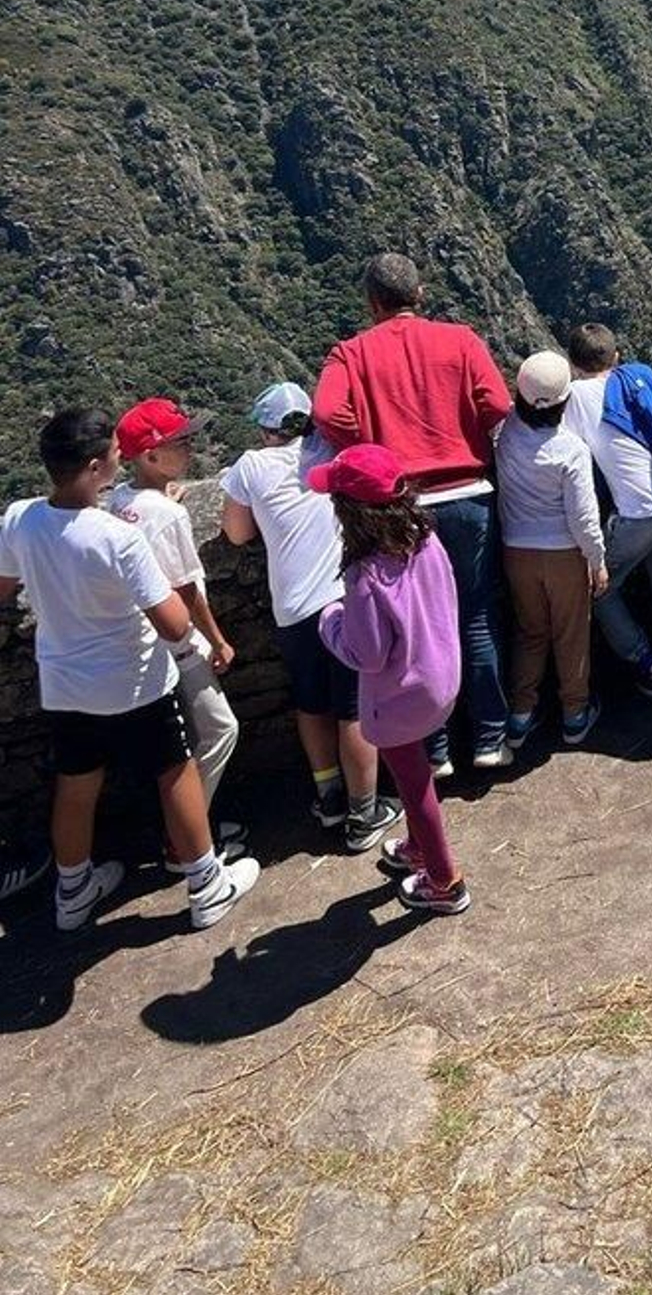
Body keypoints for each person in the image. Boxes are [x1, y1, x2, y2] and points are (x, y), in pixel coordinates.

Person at [0, 408, 259, 932]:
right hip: (134, 679)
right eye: (116, 451)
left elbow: (4, 589)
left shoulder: (18, 518)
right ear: (97, 467)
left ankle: (72, 893)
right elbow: (172, 622)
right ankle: (206, 884)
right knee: (175, 773)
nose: (121, 455)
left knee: (76, 786)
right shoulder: (116, 537)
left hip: (65, 682)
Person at [313, 252, 513, 774]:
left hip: (398, 505)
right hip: (468, 492)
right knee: (474, 616)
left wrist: (371, 450)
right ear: (419, 294)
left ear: (372, 303)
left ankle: (436, 750)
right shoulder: (461, 339)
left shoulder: (350, 355)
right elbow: (496, 403)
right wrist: (464, 431)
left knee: (414, 627)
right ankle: (491, 738)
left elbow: (327, 412)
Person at [219, 383, 402, 852]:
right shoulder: (332, 452)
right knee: (353, 706)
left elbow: (236, 534)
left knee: (312, 703)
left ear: (266, 430)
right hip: (344, 599)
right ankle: (365, 812)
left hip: (294, 607)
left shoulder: (251, 467)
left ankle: (331, 796)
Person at [313, 444, 470, 917]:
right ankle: (419, 850)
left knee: (414, 783)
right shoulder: (427, 538)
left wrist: (331, 621)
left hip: (399, 695)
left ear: (349, 512)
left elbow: (367, 652)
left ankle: (444, 880)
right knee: (416, 770)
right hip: (441, 675)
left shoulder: (364, 575)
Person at [109, 398, 247, 866]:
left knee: (179, 741)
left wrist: (161, 498)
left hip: (141, 645)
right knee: (220, 731)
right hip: (180, 641)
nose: (191, 448)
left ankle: (187, 831)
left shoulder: (120, 502)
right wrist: (220, 640)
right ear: (149, 456)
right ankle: (185, 840)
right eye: (180, 442)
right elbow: (187, 590)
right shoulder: (167, 515)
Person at [563, 324, 652, 713]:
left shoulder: (575, 397)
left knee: (596, 588)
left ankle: (645, 660)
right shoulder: (642, 376)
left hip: (637, 515)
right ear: (615, 356)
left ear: (572, 363)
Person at [495, 351, 606, 750]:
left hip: (516, 552)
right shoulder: (570, 449)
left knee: (530, 632)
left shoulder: (504, 433)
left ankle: (521, 714)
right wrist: (596, 559)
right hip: (562, 552)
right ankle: (575, 714)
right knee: (571, 633)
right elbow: (583, 517)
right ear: (565, 401)